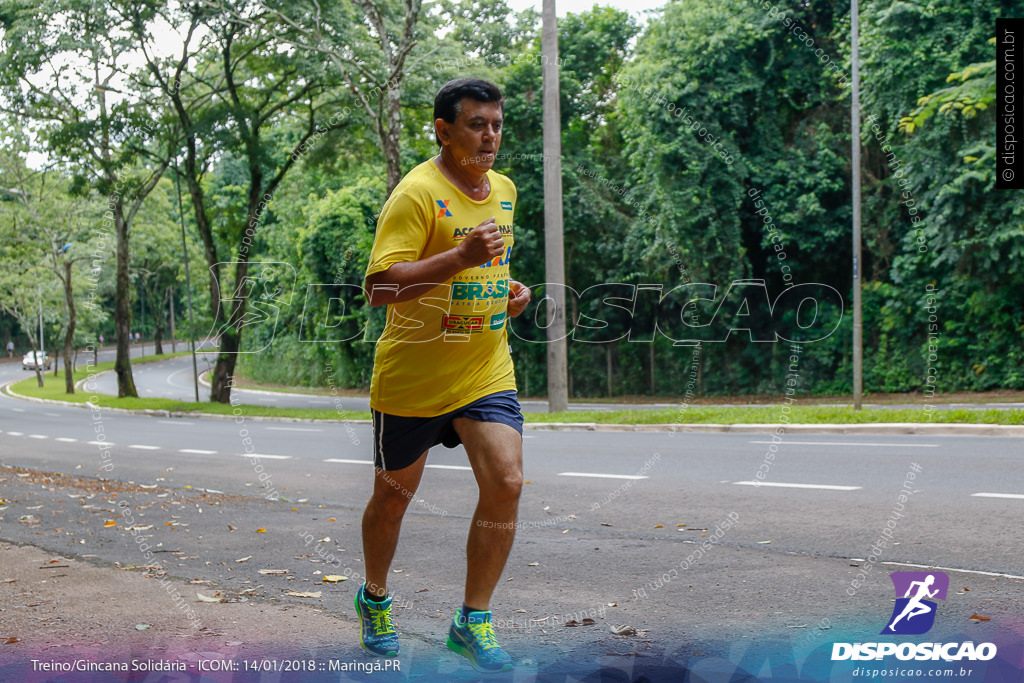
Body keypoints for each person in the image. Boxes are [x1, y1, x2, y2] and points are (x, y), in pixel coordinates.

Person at [356, 78, 531, 672]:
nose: (490, 136)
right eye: (477, 124)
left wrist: (505, 291)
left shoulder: (504, 190)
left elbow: (491, 262)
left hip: (485, 366)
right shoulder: (416, 195)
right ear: (443, 130)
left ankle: (472, 620)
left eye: (497, 124)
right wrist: (460, 257)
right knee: (393, 498)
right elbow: (379, 288)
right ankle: (375, 598)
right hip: (414, 379)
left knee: (506, 482)